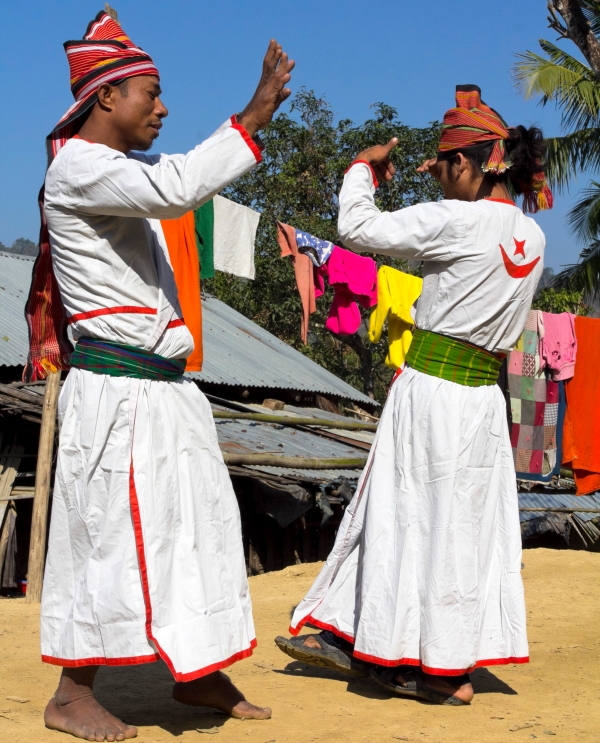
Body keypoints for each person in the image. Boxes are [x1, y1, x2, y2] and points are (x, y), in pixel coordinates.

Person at [25, 10, 294, 741]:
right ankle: (71, 693)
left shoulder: (117, 177)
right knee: (103, 537)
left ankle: (199, 671)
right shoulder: (79, 169)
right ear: (106, 98)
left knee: (197, 529)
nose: (164, 106)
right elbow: (179, 186)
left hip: (165, 390)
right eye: (153, 91)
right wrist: (253, 115)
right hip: (113, 392)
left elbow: (165, 187)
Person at [276, 85, 550, 706]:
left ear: (468, 164)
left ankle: (386, 649)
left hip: (428, 393)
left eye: (444, 161)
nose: (439, 172)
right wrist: (450, 177)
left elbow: (355, 226)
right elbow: (472, 224)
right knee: (459, 532)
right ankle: (447, 668)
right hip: (483, 402)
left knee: (400, 519)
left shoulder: (451, 219)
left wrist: (364, 169)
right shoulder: (533, 240)